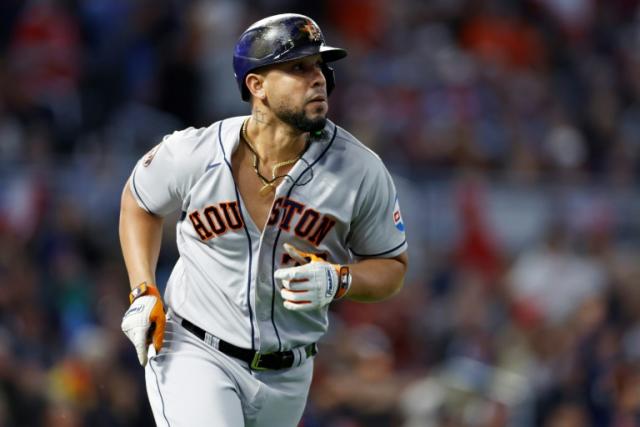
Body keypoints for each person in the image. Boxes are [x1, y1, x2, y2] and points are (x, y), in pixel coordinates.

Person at [119, 13, 408, 427]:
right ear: (256, 85)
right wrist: (143, 288)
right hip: (195, 351)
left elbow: (393, 268)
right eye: (298, 68)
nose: (318, 78)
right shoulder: (196, 152)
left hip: (288, 377)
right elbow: (139, 200)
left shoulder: (360, 169)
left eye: (320, 66)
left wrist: (340, 279)